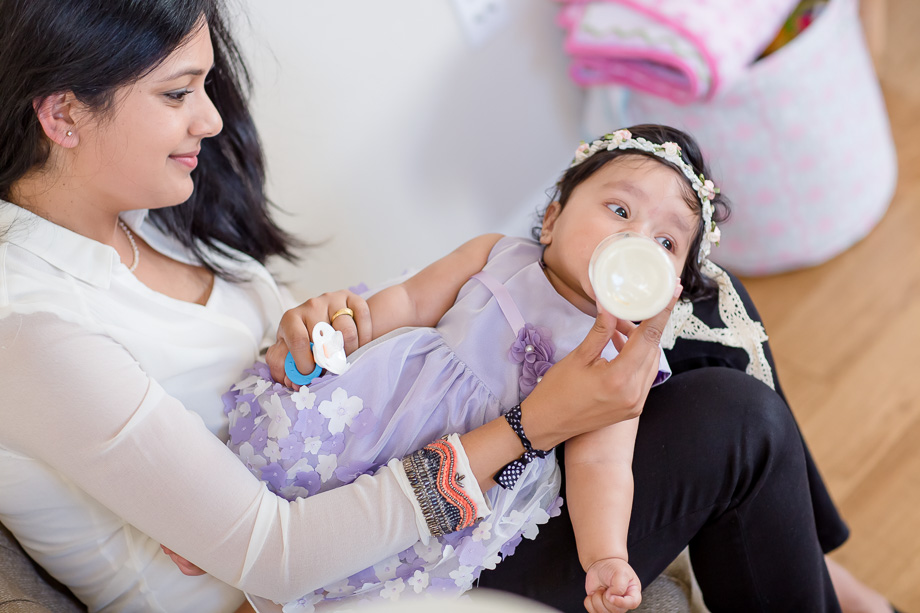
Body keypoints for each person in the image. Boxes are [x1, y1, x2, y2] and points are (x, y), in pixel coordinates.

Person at [0, 1, 895, 613]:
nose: (209, 121)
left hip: (358, 462)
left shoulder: (149, 212)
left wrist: (306, 327)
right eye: (176, 94)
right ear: (63, 115)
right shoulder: (33, 336)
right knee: (737, 418)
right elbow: (271, 554)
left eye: (202, 86)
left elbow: (298, 341)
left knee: (703, 313)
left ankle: (811, 567)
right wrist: (534, 420)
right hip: (341, 578)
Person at [222, 125, 706, 612]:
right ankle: (216, 529)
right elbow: (411, 299)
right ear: (552, 220)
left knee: (382, 557)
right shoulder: (497, 255)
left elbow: (601, 464)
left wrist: (606, 556)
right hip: (386, 402)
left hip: (468, 478)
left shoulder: (622, 361)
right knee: (291, 460)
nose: (635, 240)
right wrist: (346, 337)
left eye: (665, 243)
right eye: (620, 210)